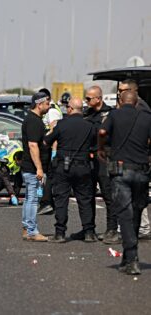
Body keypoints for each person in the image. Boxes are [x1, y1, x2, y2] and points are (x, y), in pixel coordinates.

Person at [98, 91, 151, 275]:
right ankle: (127, 258)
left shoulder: (114, 115)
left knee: (125, 215)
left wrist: (101, 148)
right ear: (136, 103)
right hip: (142, 170)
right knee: (136, 213)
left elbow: (103, 131)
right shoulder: (146, 117)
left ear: (120, 101)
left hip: (121, 170)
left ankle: (132, 259)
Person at [44, 97, 96, 243]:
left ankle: (60, 233)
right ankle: (89, 232)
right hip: (84, 166)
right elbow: (96, 143)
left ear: (70, 109)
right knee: (85, 200)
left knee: (61, 199)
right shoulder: (90, 126)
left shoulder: (61, 124)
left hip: (63, 167)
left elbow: (46, 141)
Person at [72, 86, 118, 244]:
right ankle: (88, 229)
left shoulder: (110, 114)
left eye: (89, 98)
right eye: (86, 98)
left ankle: (111, 229)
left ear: (98, 98)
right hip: (88, 159)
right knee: (87, 195)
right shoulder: (87, 114)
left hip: (104, 159)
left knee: (108, 195)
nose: (86, 101)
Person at [116, 79, 151, 241]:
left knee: (137, 196)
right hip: (129, 158)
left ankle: (142, 227)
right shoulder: (127, 107)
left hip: (138, 159)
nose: (119, 93)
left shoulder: (141, 108)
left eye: (122, 90)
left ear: (132, 91)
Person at [20, 92, 51, 242]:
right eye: (47, 103)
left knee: (28, 198)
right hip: (32, 168)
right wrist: (39, 168)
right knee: (32, 199)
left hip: (29, 167)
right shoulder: (34, 121)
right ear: (39, 104)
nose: (49, 106)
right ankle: (32, 231)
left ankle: (27, 228)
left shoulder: (34, 120)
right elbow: (33, 145)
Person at [38, 88, 63, 215]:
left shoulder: (52, 111)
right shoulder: (52, 109)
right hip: (49, 148)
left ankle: (46, 203)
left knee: (49, 176)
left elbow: (54, 132)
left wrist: (54, 152)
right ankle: (48, 202)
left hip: (50, 149)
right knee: (49, 176)